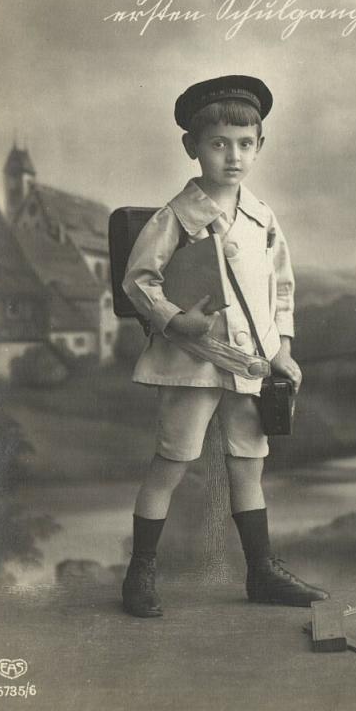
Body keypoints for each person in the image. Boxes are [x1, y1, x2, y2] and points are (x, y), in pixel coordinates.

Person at [121, 75, 329, 617]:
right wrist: (175, 321)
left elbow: (282, 287)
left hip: (251, 365)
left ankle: (261, 572)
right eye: (217, 143)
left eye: (244, 143)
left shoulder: (263, 218)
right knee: (172, 461)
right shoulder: (177, 218)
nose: (232, 156)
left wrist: (282, 349)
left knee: (247, 465)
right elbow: (138, 281)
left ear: (260, 145)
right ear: (193, 147)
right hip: (194, 363)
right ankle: (140, 573)